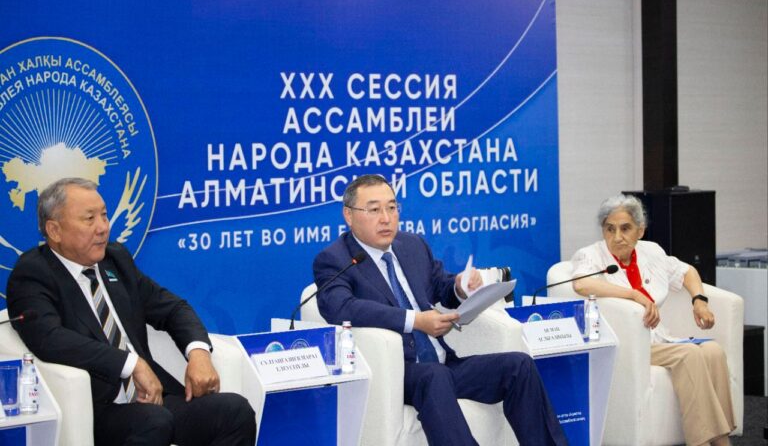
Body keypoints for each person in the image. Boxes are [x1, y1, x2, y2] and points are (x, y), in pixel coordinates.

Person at [313, 174, 566, 446]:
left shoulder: (412, 246)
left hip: (445, 364)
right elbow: (340, 307)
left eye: (392, 207)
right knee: (435, 376)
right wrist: (415, 321)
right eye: (374, 210)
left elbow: (439, 285)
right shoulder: (335, 259)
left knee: (519, 365)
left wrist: (460, 287)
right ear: (349, 215)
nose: (386, 218)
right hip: (397, 372)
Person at [6, 178, 256, 446]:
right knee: (155, 421)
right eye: (89, 219)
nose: (103, 227)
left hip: (155, 401)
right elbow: (50, 339)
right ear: (54, 230)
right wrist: (130, 364)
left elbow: (172, 308)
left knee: (235, 411)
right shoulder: (33, 274)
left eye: (104, 215)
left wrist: (198, 353)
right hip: (96, 410)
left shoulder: (115, 260)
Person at [570, 193, 735, 446]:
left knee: (713, 351)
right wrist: (633, 294)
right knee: (690, 354)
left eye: (625, 228)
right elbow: (581, 284)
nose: (617, 237)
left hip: (660, 338)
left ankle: (722, 439)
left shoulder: (651, 251)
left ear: (640, 230)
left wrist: (699, 300)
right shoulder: (591, 255)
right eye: (610, 229)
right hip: (628, 343)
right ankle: (703, 442)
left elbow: (686, 271)